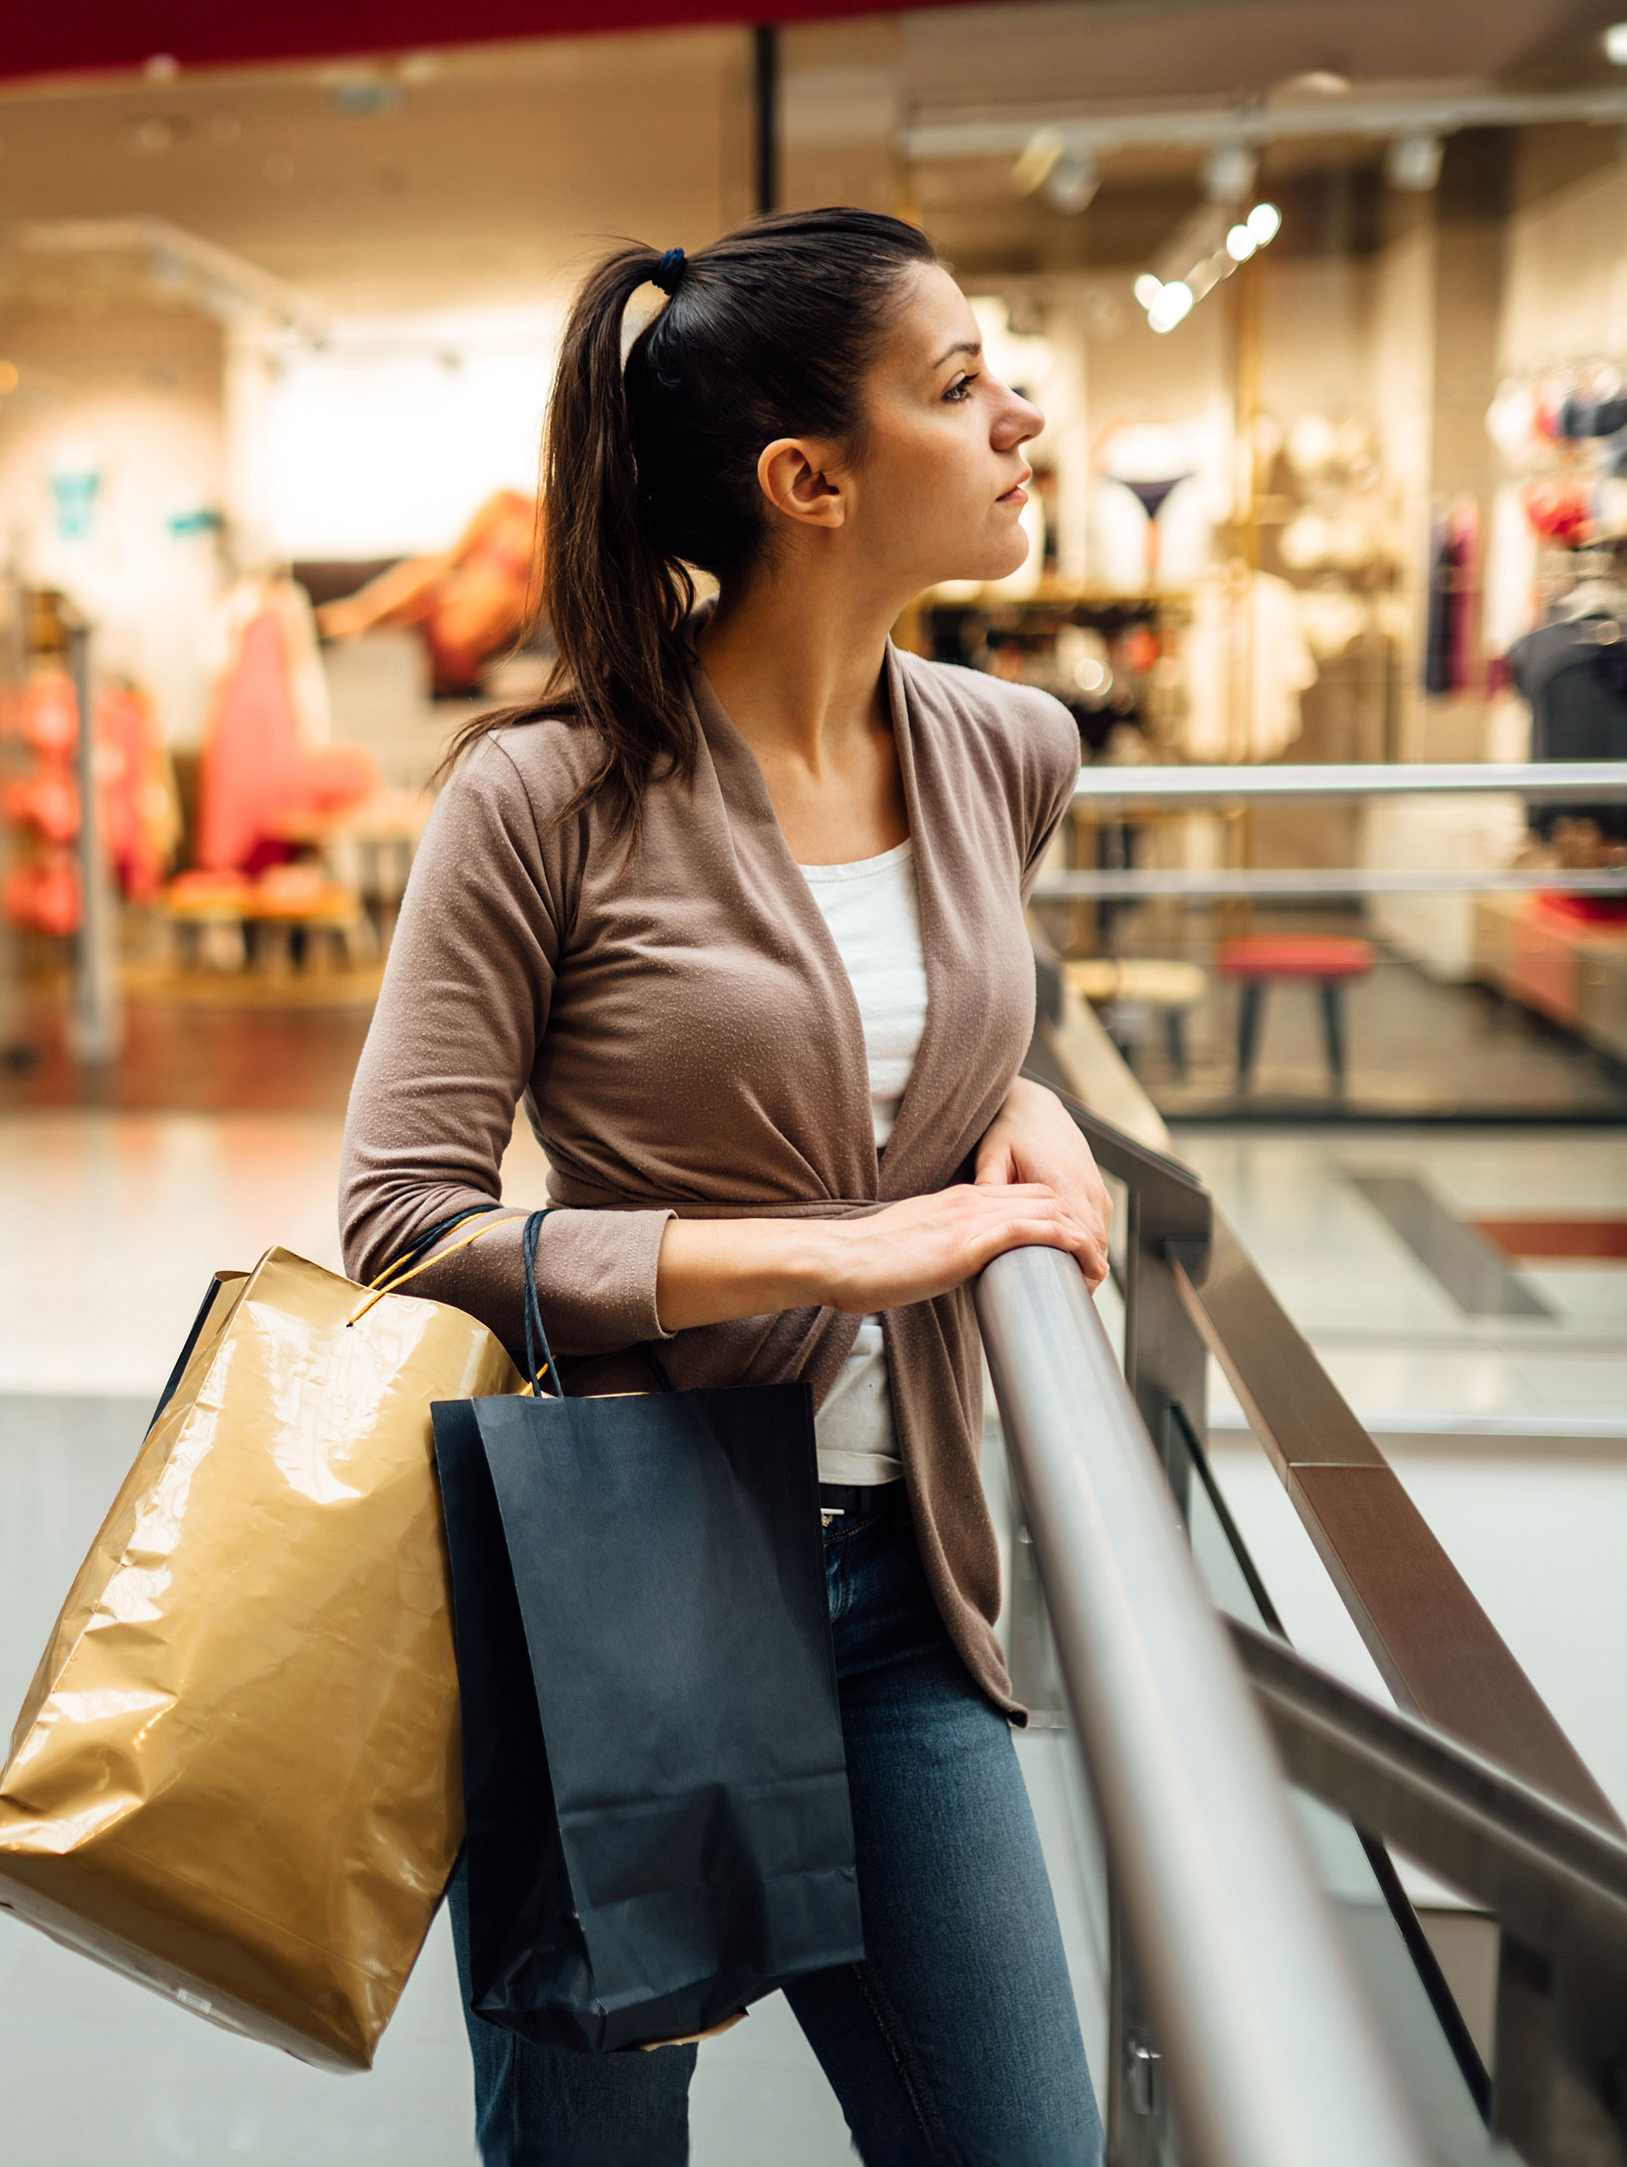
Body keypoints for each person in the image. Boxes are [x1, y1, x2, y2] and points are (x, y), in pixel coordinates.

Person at [340, 211, 1114, 2167]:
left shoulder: (1009, 752)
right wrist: (847, 1252)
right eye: (959, 383)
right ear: (809, 478)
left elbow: (875, 1031)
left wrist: (1017, 1097)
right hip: (626, 1581)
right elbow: (404, 1222)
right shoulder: (545, 793)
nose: (1018, 414)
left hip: (905, 1593)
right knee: (595, 2151)